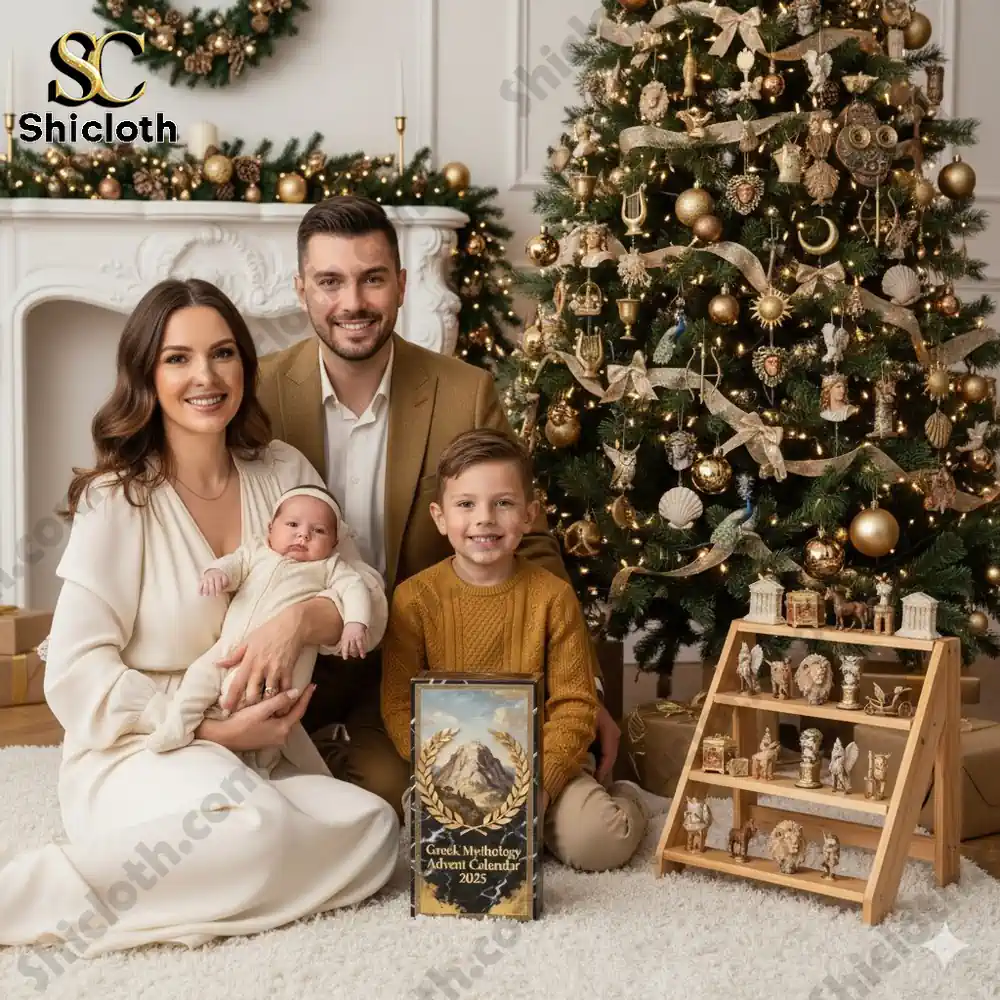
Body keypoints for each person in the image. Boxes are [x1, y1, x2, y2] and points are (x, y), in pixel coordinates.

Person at [0, 278, 398, 959]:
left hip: (267, 757)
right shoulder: (118, 499)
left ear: (245, 363)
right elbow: (74, 670)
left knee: (374, 829)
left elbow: (364, 590)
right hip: (141, 751)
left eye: (222, 354)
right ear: (147, 376)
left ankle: (174, 909)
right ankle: (24, 899)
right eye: (178, 358)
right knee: (256, 827)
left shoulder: (283, 472)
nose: (206, 376)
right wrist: (210, 728)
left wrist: (302, 621)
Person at [253, 195, 621, 816]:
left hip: (420, 665)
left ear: (400, 285)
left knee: (408, 798)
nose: (353, 303)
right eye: (330, 282)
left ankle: (336, 762)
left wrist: (582, 687)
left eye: (372, 279)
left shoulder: (464, 392)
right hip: (294, 656)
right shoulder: (258, 392)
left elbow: (524, 538)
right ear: (301, 288)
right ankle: (312, 758)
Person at [381, 429, 647, 871]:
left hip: (542, 767)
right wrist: (441, 772)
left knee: (598, 842)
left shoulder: (552, 596)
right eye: (465, 504)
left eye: (502, 503)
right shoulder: (412, 600)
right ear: (440, 516)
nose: (484, 518)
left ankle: (626, 799)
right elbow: (396, 705)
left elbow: (575, 704)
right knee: (447, 855)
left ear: (529, 515)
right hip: (453, 773)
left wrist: (538, 785)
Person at [144, 484, 374, 776]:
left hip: (285, 665)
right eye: (292, 524)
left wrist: (356, 622)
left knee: (275, 706)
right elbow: (234, 564)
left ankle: (262, 764)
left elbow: (355, 588)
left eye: (318, 531)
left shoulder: (329, 567)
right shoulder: (256, 552)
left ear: (334, 543)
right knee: (198, 678)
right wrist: (218, 574)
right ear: (270, 528)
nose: (303, 535)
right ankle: (178, 728)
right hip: (229, 649)